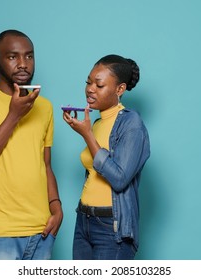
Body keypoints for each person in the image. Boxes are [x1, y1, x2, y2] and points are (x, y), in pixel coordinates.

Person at [0, 29, 63, 260]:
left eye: (29, 56)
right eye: (12, 57)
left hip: (42, 230)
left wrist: (56, 207)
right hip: (0, 232)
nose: (23, 64)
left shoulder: (44, 106)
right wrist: (13, 115)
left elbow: (45, 165)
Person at [62, 54, 150, 260]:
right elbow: (94, 171)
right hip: (83, 220)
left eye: (99, 85)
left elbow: (119, 179)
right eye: (88, 82)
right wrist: (87, 132)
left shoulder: (131, 123)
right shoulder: (98, 122)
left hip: (111, 226)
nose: (90, 89)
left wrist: (87, 135)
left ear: (120, 89)